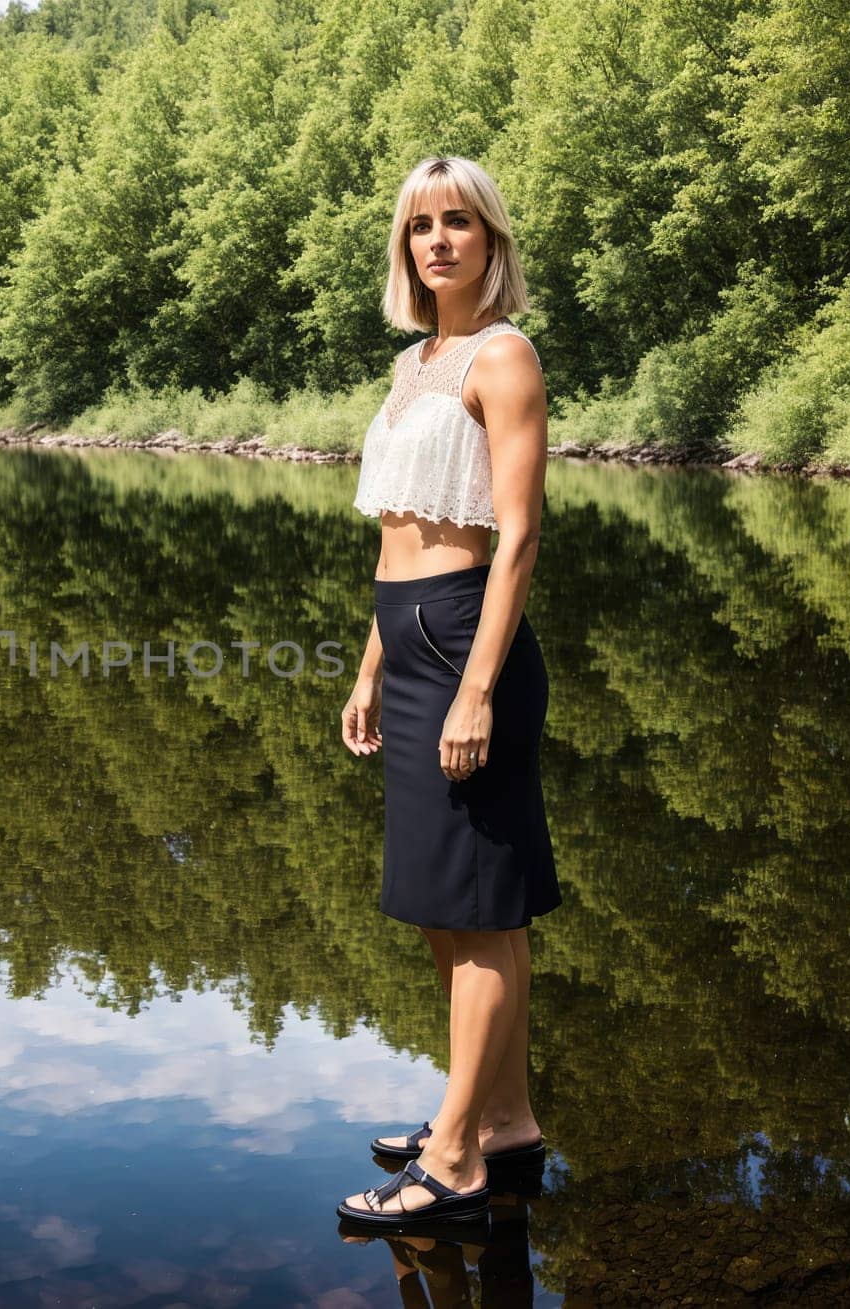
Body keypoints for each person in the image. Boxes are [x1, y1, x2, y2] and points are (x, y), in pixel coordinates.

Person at [335, 155, 561, 1228]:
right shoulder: (413, 363)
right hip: (409, 639)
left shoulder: (501, 357)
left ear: (490, 240)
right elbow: (396, 524)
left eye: (458, 222)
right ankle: (503, 1115)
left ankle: (459, 1150)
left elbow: (514, 534)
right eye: (420, 225)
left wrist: (474, 690)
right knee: (448, 904)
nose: (437, 241)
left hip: (471, 637)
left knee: (477, 910)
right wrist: (371, 664)